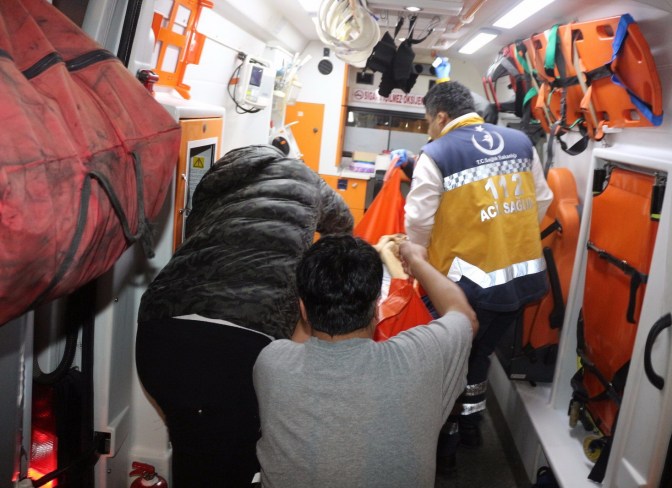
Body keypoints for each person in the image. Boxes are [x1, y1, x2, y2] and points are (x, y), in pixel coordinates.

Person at [135, 145, 354, 488]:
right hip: (239, 344)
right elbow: (342, 225)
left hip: (160, 332)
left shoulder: (219, 176)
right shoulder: (306, 178)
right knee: (233, 464)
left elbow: (197, 231)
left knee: (193, 452)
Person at [404, 80, 553, 474]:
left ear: (440, 117)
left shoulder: (437, 154)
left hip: (463, 285)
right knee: (480, 353)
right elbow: (542, 200)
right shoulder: (521, 142)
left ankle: (446, 445)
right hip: (518, 282)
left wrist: (417, 259)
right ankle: (471, 427)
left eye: (428, 122)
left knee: (449, 363)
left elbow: (418, 222)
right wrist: (503, 234)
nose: (429, 130)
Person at [253, 235, 479, 488]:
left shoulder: (271, 362)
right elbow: (464, 316)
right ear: (376, 307)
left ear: (303, 309)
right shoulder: (422, 359)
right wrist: (415, 260)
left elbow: (300, 342)